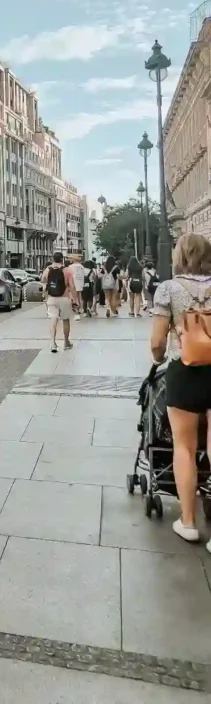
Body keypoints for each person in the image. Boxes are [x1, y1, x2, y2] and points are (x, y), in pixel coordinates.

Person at [149, 233, 211, 549]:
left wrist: (159, 358)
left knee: (184, 448)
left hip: (184, 370)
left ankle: (187, 521)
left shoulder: (169, 289)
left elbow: (158, 341)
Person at [42, 251, 74, 353]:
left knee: (53, 320)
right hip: (64, 298)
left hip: (52, 298)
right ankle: (66, 342)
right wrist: (75, 299)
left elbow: (43, 281)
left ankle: (53, 344)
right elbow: (72, 286)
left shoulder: (48, 269)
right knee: (65, 320)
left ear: (53, 259)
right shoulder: (67, 270)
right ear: (62, 259)